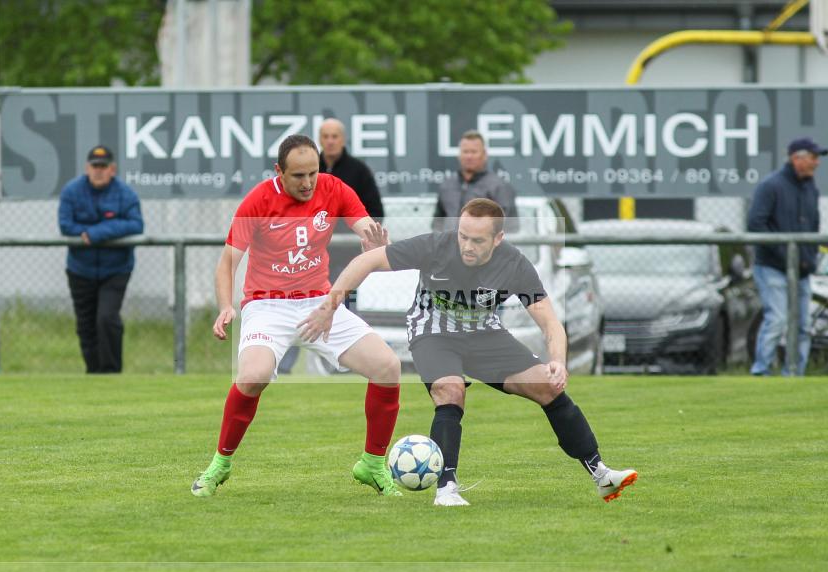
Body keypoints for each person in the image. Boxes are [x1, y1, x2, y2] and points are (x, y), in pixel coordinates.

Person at [301, 198, 637, 507]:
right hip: (432, 333)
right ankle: (446, 488)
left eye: (477, 240)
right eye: (463, 236)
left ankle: (601, 475)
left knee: (549, 387)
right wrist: (330, 306)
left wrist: (558, 364)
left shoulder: (514, 265)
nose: (467, 245)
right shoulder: (436, 246)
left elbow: (551, 323)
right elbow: (368, 260)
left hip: (484, 336)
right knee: (450, 390)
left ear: (498, 239)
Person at [191, 134, 402, 498]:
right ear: (279, 172)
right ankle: (220, 464)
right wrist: (226, 305)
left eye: (313, 174)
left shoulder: (334, 188)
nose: (307, 184)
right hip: (267, 305)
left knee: (388, 367)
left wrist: (377, 245)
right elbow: (227, 263)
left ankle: (372, 465)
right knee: (253, 376)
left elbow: (369, 231)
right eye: (298, 176)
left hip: (318, 303)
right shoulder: (257, 201)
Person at [279, 118, 385, 374]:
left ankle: (340, 366)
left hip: (345, 256)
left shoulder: (358, 171)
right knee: (295, 307)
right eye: (325, 136)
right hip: (306, 257)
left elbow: (374, 213)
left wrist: (361, 236)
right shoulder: (300, 171)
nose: (330, 141)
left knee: (344, 307)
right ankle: (282, 365)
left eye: (334, 136)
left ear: (343, 139)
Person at [58, 145, 144, 374]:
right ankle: (93, 372)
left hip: (116, 269)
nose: (98, 170)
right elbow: (65, 225)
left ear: (112, 169)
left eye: (103, 166)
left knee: (106, 318)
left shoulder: (126, 194)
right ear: (87, 168)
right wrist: (105, 229)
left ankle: (111, 372)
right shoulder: (71, 191)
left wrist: (96, 233)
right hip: (80, 269)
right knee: (85, 325)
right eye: (94, 166)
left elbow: (136, 224)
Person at [748, 136, 826, 376]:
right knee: (777, 320)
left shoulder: (810, 187)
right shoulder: (771, 186)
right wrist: (785, 253)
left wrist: (809, 257)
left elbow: (813, 224)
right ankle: (761, 371)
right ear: (797, 158)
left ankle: (795, 373)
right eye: (813, 157)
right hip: (772, 266)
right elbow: (755, 223)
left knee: (803, 325)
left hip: (801, 269)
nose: (816, 163)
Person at [432, 130, 517, 232]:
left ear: (484, 155)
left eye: (474, 152)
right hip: (450, 246)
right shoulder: (447, 186)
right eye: (465, 151)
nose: (469, 156)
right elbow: (438, 222)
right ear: (459, 155)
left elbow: (509, 227)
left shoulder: (499, 187)